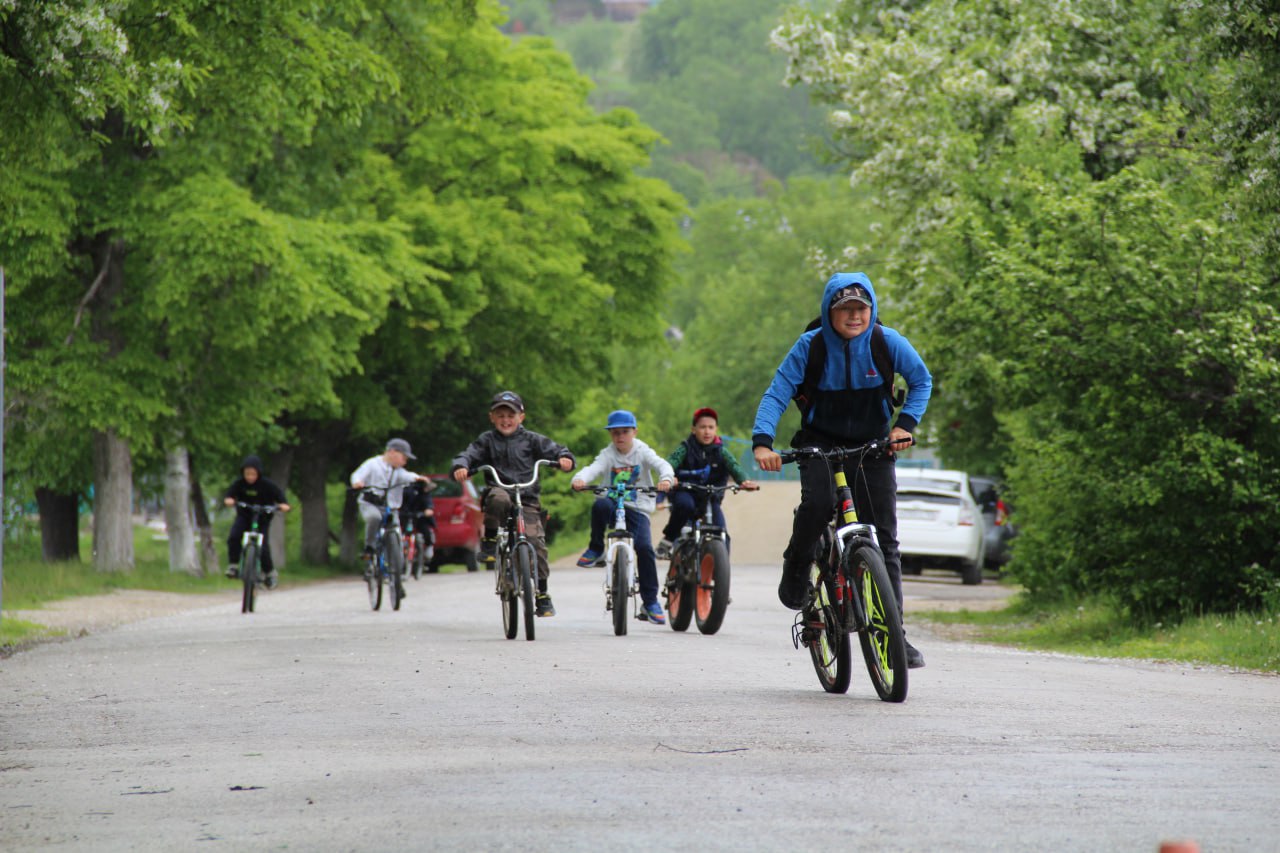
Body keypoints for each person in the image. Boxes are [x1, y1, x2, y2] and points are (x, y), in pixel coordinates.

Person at [751, 272, 932, 669]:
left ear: (871, 311)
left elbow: (921, 380)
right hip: (819, 442)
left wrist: (906, 426)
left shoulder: (887, 342)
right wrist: (762, 442)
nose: (854, 316)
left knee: (884, 539)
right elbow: (777, 392)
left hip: (873, 443)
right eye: (845, 309)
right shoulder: (809, 347)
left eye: (861, 309)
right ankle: (798, 563)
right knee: (817, 506)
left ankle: (895, 637)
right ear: (829, 312)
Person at [451, 391, 576, 617]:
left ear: (521, 417)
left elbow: (557, 450)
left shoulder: (532, 439)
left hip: (527, 498)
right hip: (499, 491)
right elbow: (468, 455)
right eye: (500, 415)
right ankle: (489, 540)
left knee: (535, 542)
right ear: (492, 417)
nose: (506, 420)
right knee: (498, 498)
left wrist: (565, 458)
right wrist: (461, 466)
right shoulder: (487, 441)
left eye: (511, 414)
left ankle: (542, 594)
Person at [571, 410, 676, 625]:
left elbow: (662, 465)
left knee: (645, 548)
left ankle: (650, 601)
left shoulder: (642, 450)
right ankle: (596, 548)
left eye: (625, 432)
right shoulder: (608, 454)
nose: (620, 437)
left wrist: (665, 479)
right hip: (612, 504)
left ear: (634, 432)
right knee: (600, 505)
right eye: (615, 433)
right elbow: (593, 469)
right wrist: (580, 479)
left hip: (637, 509)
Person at [657, 407, 759, 557]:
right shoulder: (685, 448)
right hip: (687, 493)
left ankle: (721, 572)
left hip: (711, 497)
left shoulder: (721, 451)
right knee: (685, 506)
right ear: (693, 429)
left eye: (711, 427)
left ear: (716, 429)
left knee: (721, 531)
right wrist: (669, 476)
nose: (707, 431)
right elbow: (669, 463)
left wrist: (744, 481)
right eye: (702, 427)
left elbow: (734, 466)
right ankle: (669, 539)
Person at [350, 438, 431, 596]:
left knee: (396, 536)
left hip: (390, 507)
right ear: (392, 452)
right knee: (374, 518)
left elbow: (408, 476)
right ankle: (369, 548)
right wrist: (358, 483)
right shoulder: (372, 464)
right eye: (404, 457)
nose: (405, 461)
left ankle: (396, 578)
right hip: (371, 504)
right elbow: (358, 475)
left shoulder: (398, 471)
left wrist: (419, 479)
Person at [223, 455, 291, 588]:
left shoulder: (267, 485)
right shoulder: (239, 483)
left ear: (258, 473)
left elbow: (283, 501)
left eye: (253, 474)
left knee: (263, 546)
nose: (250, 477)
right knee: (234, 536)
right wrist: (229, 500)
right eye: (247, 473)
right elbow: (229, 496)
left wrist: (282, 506)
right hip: (244, 516)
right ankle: (233, 565)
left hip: (263, 518)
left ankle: (269, 572)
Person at [399, 479, 436, 569]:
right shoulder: (406, 492)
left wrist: (428, 510)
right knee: (399, 532)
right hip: (406, 515)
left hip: (420, 517)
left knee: (425, 529)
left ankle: (428, 545)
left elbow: (429, 505)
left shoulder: (424, 494)